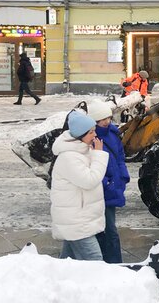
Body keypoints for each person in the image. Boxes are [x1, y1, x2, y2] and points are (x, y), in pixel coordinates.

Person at [50, 109, 109, 261]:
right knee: (95, 262)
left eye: (94, 131)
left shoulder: (81, 151)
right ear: (80, 135)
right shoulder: (69, 157)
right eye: (91, 132)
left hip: (78, 220)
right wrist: (99, 155)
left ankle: (55, 283)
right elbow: (89, 181)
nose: (95, 135)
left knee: (67, 264)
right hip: (77, 222)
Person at [89, 99, 130, 264]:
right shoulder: (91, 138)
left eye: (108, 117)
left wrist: (123, 176)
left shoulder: (113, 134)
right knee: (106, 229)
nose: (107, 121)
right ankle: (109, 263)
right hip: (102, 188)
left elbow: (120, 157)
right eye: (102, 119)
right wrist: (106, 183)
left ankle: (112, 262)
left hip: (113, 186)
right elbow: (91, 163)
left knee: (110, 228)